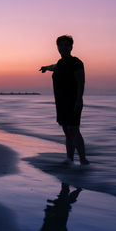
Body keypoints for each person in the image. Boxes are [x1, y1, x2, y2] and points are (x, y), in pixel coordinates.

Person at [40, 35, 89, 165]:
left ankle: (83, 160)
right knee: (67, 131)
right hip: (61, 102)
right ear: (57, 47)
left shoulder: (76, 62)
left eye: (66, 45)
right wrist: (46, 67)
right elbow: (54, 66)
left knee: (74, 129)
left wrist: (79, 100)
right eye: (61, 45)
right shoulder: (60, 63)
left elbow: (81, 82)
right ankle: (70, 159)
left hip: (73, 101)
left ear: (71, 47)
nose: (63, 47)